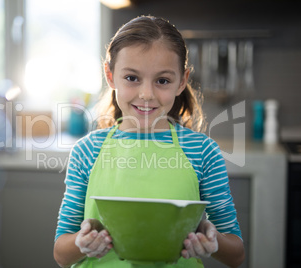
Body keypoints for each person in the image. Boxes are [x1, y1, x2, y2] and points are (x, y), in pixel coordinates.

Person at [53, 15, 245, 268]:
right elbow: (61, 253)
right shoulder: (87, 151)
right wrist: (80, 243)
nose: (146, 94)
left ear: (182, 81)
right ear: (110, 76)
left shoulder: (202, 152)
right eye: (132, 78)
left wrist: (214, 240)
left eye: (162, 81)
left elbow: (237, 254)